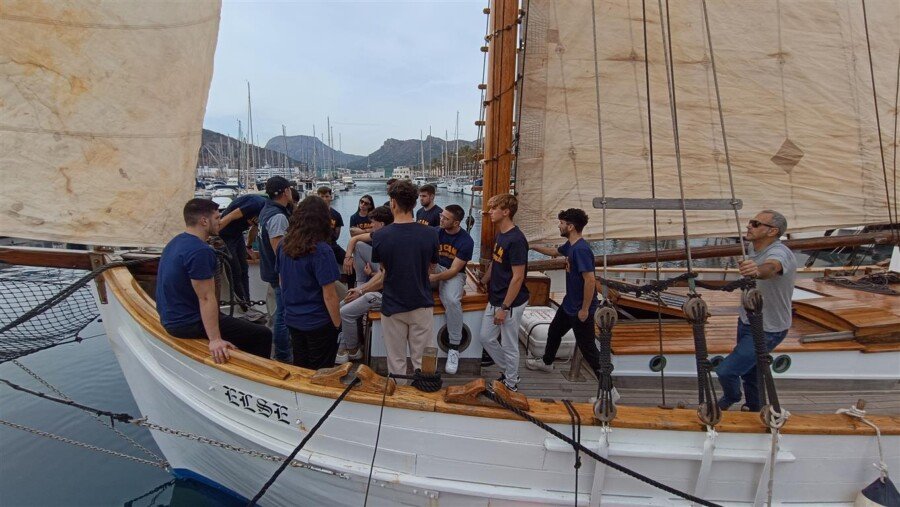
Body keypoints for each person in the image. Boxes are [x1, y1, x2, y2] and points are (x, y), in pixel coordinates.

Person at [156, 198, 271, 363]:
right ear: (204, 221)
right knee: (262, 334)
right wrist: (215, 340)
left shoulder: (176, 242)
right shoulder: (200, 251)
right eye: (217, 218)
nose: (220, 222)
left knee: (239, 327)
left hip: (171, 318)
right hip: (187, 323)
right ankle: (258, 372)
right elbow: (206, 297)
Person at [716, 210, 797, 411]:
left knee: (727, 371)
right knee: (751, 371)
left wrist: (757, 271)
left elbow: (771, 268)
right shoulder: (753, 247)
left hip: (769, 327)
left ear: (772, 231)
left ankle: (731, 396)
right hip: (747, 320)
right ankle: (754, 408)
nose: (748, 226)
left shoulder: (780, 253)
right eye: (750, 222)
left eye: (755, 223)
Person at [367, 180, 439, 379]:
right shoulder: (431, 234)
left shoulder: (380, 236)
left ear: (392, 203)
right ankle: (423, 391)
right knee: (423, 362)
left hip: (393, 304)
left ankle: (399, 391)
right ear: (414, 204)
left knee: (396, 362)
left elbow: (384, 270)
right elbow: (431, 268)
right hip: (421, 303)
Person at [527, 209, 603, 375]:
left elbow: (590, 280)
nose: (559, 226)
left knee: (588, 348)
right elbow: (554, 252)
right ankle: (547, 362)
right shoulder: (571, 245)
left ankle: (608, 386)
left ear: (571, 227)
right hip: (569, 304)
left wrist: (584, 310)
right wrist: (532, 246)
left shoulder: (581, 250)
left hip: (580, 308)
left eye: (561, 223)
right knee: (554, 331)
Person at [278, 196, 343, 370]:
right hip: (317, 321)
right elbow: (329, 295)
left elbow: (282, 282)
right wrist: (338, 325)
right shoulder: (321, 251)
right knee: (321, 369)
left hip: (293, 318)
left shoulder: (283, 245)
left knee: (300, 366)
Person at [479, 194, 529, 391]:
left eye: (494, 208)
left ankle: (511, 384)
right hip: (495, 296)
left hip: (510, 302)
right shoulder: (501, 234)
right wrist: (484, 280)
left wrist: (505, 308)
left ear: (506, 212)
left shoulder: (516, 240)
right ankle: (510, 371)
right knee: (486, 338)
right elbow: (496, 261)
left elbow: (518, 277)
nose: (489, 211)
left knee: (509, 344)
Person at [336, 205, 394, 363]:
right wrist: (360, 288)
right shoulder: (383, 238)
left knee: (345, 312)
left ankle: (353, 350)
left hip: (390, 296)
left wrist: (361, 291)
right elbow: (382, 274)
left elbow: (382, 279)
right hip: (381, 287)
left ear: (381, 224)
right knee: (343, 303)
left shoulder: (388, 244)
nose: (371, 225)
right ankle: (345, 342)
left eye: (373, 223)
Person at [428, 204, 474, 374]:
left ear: (456, 223)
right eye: (441, 215)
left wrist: (434, 278)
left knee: (453, 301)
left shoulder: (466, 241)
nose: (441, 219)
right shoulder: (435, 232)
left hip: (454, 274)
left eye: (445, 218)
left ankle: (454, 347)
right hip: (436, 268)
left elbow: (455, 270)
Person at [258, 176, 294, 363]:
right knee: (283, 315)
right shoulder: (278, 217)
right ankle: (283, 355)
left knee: (281, 314)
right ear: (286, 191)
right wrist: (285, 275)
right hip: (279, 274)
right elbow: (280, 251)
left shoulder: (266, 210)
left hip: (269, 270)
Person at [217, 193, 266, 310]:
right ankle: (244, 306)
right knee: (236, 271)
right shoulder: (255, 205)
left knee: (244, 268)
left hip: (237, 234)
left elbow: (254, 228)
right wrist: (211, 234)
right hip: (225, 235)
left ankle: (247, 304)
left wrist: (248, 246)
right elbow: (229, 217)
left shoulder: (265, 213)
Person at [317, 186, 346, 264]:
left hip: (332, 245)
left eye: (326, 196)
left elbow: (337, 235)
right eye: (322, 196)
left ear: (331, 197)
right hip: (316, 246)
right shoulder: (312, 214)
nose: (324, 199)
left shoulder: (336, 215)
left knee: (348, 260)